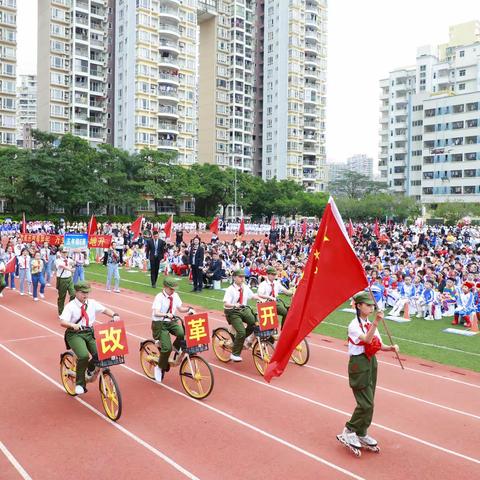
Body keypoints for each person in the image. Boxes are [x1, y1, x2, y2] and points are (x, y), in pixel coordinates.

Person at [338, 292, 399, 451]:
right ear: (358, 306)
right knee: (366, 403)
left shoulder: (369, 323)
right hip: (359, 363)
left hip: (371, 362)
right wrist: (377, 323)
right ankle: (349, 429)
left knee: (370, 401)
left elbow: (377, 344)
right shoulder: (354, 325)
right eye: (368, 305)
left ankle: (362, 431)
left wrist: (390, 348)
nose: (372, 307)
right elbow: (366, 339)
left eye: (372, 305)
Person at [59, 281, 120, 395]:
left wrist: (114, 315)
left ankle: (90, 369)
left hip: (89, 332)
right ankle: (80, 384)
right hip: (75, 334)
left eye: (87, 293)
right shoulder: (70, 306)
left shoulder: (92, 303)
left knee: (102, 354)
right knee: (83, 356)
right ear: (76, 292)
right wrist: (73, 325)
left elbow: (105, 310)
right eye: (83, 293)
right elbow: (62, 321)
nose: (85, 295)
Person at [151, 277, 194, 383]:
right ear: (165, 287)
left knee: (181, 332)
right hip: (160, 323)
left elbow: (180, 308)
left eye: (174, 289)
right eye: (171, 289)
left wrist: (189, 309)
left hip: (171, 321)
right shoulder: (159, 297)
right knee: (166, 348)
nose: (173, 291)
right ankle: (159, 367)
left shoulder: (175, 295)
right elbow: (156, 312)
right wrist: (166, 314)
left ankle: (176, 347)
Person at [223, 269, 262, 361]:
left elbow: (252, 296)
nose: (242, 279)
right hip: (232, 311)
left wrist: (260, 298)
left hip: (243, 309)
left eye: (243, 277)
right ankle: (235, 354)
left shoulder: (245, 287)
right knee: (241, 332)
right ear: (234, 277)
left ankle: (240, 339)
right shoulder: (230, 289)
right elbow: (225, 303)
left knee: (254, 323)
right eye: (240, 277)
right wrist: (234, 305)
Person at [55, 246, 75, 315]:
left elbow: (74, 264)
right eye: (63, 252)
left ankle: (69, 309)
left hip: (69, 279)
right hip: (62, 279)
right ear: (60, 253)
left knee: (73, 294)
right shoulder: (58, 260)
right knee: (62, 297)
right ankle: (61, 312)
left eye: (66, 252)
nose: (65, 254)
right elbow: (62, 266)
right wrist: (70, 269)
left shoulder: (70, 260)